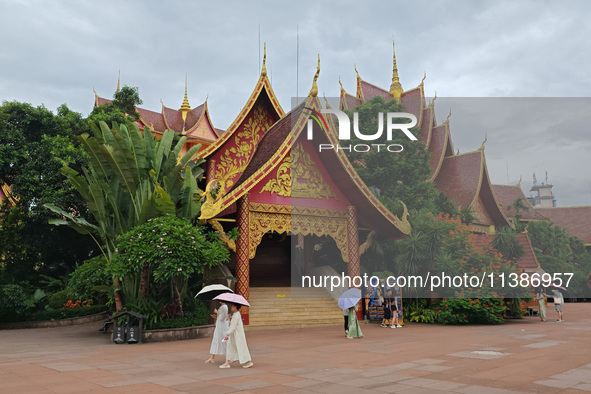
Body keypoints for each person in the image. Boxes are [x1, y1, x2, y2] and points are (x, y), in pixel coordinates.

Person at [220, 303, 253, 369]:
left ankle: (228, 362)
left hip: (236, 335)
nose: (231, 307)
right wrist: (229, 319)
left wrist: (227, 334)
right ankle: (228, 361)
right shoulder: (236, 315)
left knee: (237, 347)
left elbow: (233, 327)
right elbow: (232, 325)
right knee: (234, 347)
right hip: (235, 335)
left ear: (235, 307)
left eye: (232, 306)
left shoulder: (236, 315)